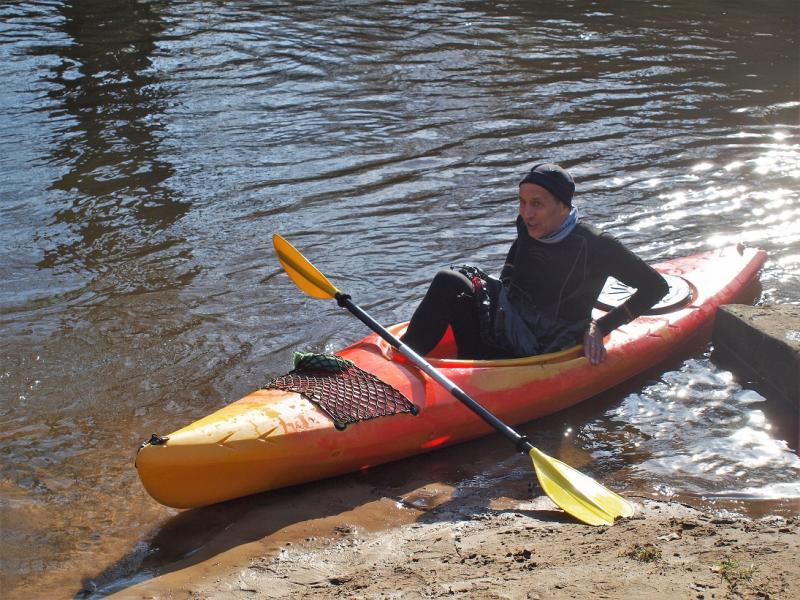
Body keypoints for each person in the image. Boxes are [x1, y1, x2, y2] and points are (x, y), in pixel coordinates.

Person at [400, 163, 670, 365]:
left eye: (537, 204)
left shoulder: (596, 244)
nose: (527, 213)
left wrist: (601, 327)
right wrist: (495, 296)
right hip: (513, 318)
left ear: (563, 207)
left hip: (549, 340)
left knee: (454, 283)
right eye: (522, 202)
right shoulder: (528, 226)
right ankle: (409, 362)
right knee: (454, 283)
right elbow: (514, 263)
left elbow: (656, 287)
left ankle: (468, 371)